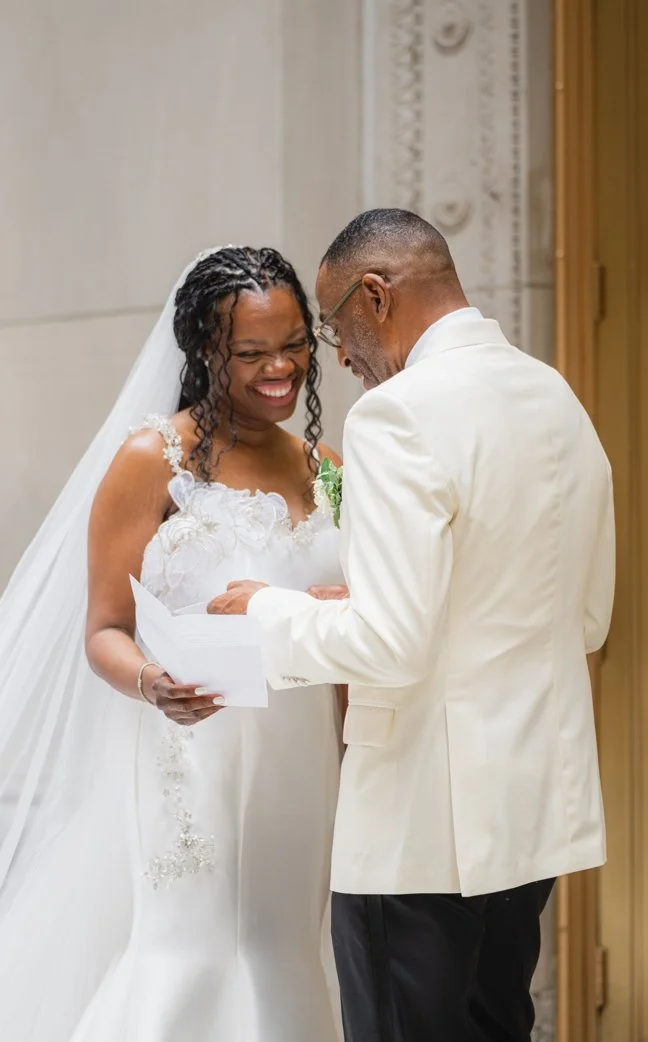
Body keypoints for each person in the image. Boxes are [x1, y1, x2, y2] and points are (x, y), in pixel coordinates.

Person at [208, 208, 615, 1042]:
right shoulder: (555, 395)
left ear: (376, 294)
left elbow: (391, 645)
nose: (340, 356)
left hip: (420, 821)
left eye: (333, 326)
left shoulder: (398, 415)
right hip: (529, 807)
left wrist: (266, 609)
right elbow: (583, 614)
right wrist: (363, 605)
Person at [0, 246, 345, 1041]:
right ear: (203, 352)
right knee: (193, 947)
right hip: (192, 753)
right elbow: (104, 631)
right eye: (251, 353)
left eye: (294, 344)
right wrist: (153, 682)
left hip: (309, 760)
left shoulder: (324, 468)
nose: (280, 369)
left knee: (285, 945)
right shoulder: (151, 460)